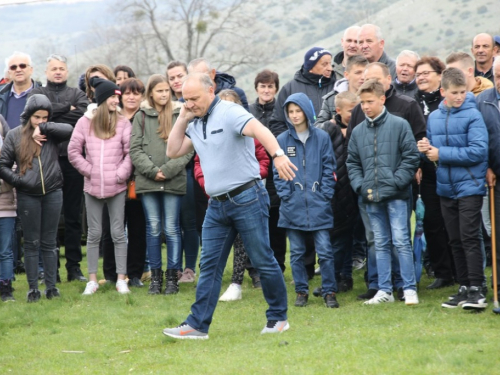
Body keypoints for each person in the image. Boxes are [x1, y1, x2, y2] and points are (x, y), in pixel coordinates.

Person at [163, 72, 296, 339]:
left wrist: (278, 155)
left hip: (247, 198)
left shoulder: (229, 111)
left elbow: (260, 130)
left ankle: (278, 319)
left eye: (195, 98)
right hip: (217, 206)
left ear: (210, 90)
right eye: (186, 99)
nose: (190, 103)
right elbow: (173, 151)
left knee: (263, 260)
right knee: (209, 265)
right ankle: (197, 325)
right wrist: (183, 117)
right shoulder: (194, 119)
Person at [346, 62, 426, 301]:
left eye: (370, 101)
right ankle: (384, 290)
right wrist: (360, 186)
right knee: (379, 243)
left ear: (382, 99)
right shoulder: (359, 131)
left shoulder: (400, 125)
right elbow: (352, 162)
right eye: (363, 103)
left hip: (397, 196)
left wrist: (397, 182)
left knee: (401, 240)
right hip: (370, 196)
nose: (366, 106)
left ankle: (409, 289)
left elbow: (411, 157)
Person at [418, 68, 488, 310]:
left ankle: (478, 289)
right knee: (455, 239)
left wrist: (441, 154)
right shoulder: (434, 118)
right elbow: (433, 157)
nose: (459, 97)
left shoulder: (473, 115)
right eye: (454, 93)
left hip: (470, 185)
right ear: (443, 92)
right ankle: (464, 287)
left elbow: (479, 151)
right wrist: (426, 149)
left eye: (462, 92)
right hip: (445, 186)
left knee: (469, 237)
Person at [0, 94, 73, 302]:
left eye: (45, 117)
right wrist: (20, 182)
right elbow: (3, 165)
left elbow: (70, 131)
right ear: (28, 115)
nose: (41, 120)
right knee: (31, 243)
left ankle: (51, 287)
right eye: (37, 117)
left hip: (53, 192)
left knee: (50, 242)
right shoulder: (14, 135)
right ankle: (33, 288)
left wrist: (44, 128)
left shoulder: (50, 133)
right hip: (28, 195)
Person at [198, 89, 269, 301]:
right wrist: (207, 183)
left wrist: (251, 176)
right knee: (211, 256)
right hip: (218, 198)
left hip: (246, 195)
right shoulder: (205, 131)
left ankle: (241, 283)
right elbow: (197, 163)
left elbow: (263, 159)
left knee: (252, 248)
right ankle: (200, 316)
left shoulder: (246, 130)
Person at [68, 77, 133, 295]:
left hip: (117, 187)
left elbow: (129, 153)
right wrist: (90, 171)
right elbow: (73, 151)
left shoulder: (123, 122)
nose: (118, 100)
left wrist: (120, 174)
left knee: (118, 233)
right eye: (115, 97)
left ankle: (121, 279)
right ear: (104, 99)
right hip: (92, 187)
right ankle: (93, 280)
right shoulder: (85, 123)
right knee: (94, 234)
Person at [274, 92, 338, 308]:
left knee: (326, 252)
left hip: (319, 203)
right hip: (293, 206)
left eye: (298, 110)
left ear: (306, 111)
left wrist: (324, 193)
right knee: (298, 253)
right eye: (290, 111)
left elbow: (330, 167)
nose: (294, 115)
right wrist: (287, 195)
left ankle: (329, 291)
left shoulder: (321, 137)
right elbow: (277, 173)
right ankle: (301, 291)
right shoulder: (282, 140)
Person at [129, 74, 191, 295]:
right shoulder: (141, 116)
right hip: (148, 181)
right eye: (159, 91)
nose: (164, 94)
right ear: (151, 93)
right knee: (153, 228)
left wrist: (169, 170)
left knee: (173, 229)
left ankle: (172, 277)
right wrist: (154, 171)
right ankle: (155, 277)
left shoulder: (181, 113)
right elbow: (134, 149)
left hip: (173, 180)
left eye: (167, 90)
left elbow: (188, 147)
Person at [29, 54, 89, 282]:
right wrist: (65, 110)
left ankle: (74, 268)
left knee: (73, 216)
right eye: (53, 68)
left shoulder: (78, 94)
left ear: (67, 71)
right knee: (49, 217)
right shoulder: (37, 94)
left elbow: (81, 115)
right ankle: (50, 270)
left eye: (61, 68)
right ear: (46, 71)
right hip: (46, 161)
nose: (57, 72)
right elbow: (36, 118)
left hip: (73, 161)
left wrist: (50, 115)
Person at [414, 56, 455, 289]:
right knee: (431, 222)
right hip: (426, 171)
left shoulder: (448, 100)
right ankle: (442, 273)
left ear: (440, 75)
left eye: (426, 73)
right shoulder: (412, 103)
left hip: (450, 168)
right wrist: (416, 163)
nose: (421, 77)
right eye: (418, 74)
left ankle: (462, 271)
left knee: (454, 222)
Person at [105, 77, 148, 288]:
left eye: (136, 93)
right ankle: (112, 273)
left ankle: (135, 273)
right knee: (113, 227)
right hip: (113, 180)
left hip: (140, 181)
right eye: (127, 93)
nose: (132, 97)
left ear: (142, 96)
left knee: (138, 227)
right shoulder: (112, 117)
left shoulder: (147, 117)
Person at [316, 91, 360, 293]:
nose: (355, 113)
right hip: (333, 190)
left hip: (352, 190)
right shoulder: (328, 130)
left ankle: (343, 277)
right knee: (335, 238)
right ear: (339, 110)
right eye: (351, 110)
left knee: (346, 238)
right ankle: (334, 278)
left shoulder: (359, 128)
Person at [248, 70, 287, 273]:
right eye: (262, 86)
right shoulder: (248, 111)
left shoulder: (281, 111)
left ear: (276, 89)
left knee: (276, 219)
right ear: (256, 88)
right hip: (252, 170)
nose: (266, 90)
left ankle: (278, 264)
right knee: (253, 221)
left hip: (276, 170)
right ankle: (254, 267)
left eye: (270, 86)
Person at [269, 47, 336, 137]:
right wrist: (291, 143)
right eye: (324, 64)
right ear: (310, 67)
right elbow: (278, 122)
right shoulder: (290, 89)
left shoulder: (337, 87)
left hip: (334, 148)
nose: (330, 68)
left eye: (330, 63)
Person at [477, 58, 500, 307]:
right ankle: (498, 286)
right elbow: (480, 138)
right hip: (495, 177)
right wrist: (488, 167)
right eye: (498, 75)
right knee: (498, 233)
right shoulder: (482, 100)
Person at [315, 55, 368, 128]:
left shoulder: (375, 96)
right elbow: (317, 128)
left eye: (365, 73)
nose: (363, 77)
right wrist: (333, 127)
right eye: (358, 73)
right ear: (346, 75)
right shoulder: (331, 99)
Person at [0, 52, 40, 129]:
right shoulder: (1, 94)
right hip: (6, 140)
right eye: (13, 67)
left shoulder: (42, 94)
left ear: (31, 70)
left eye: (22, 66)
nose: (18, 70)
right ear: (9, 73)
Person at [0, 135, 17, 301]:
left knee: (5, 251)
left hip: (5, 211)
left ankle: (6, 286)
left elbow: (11, 180)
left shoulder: (8, 156)